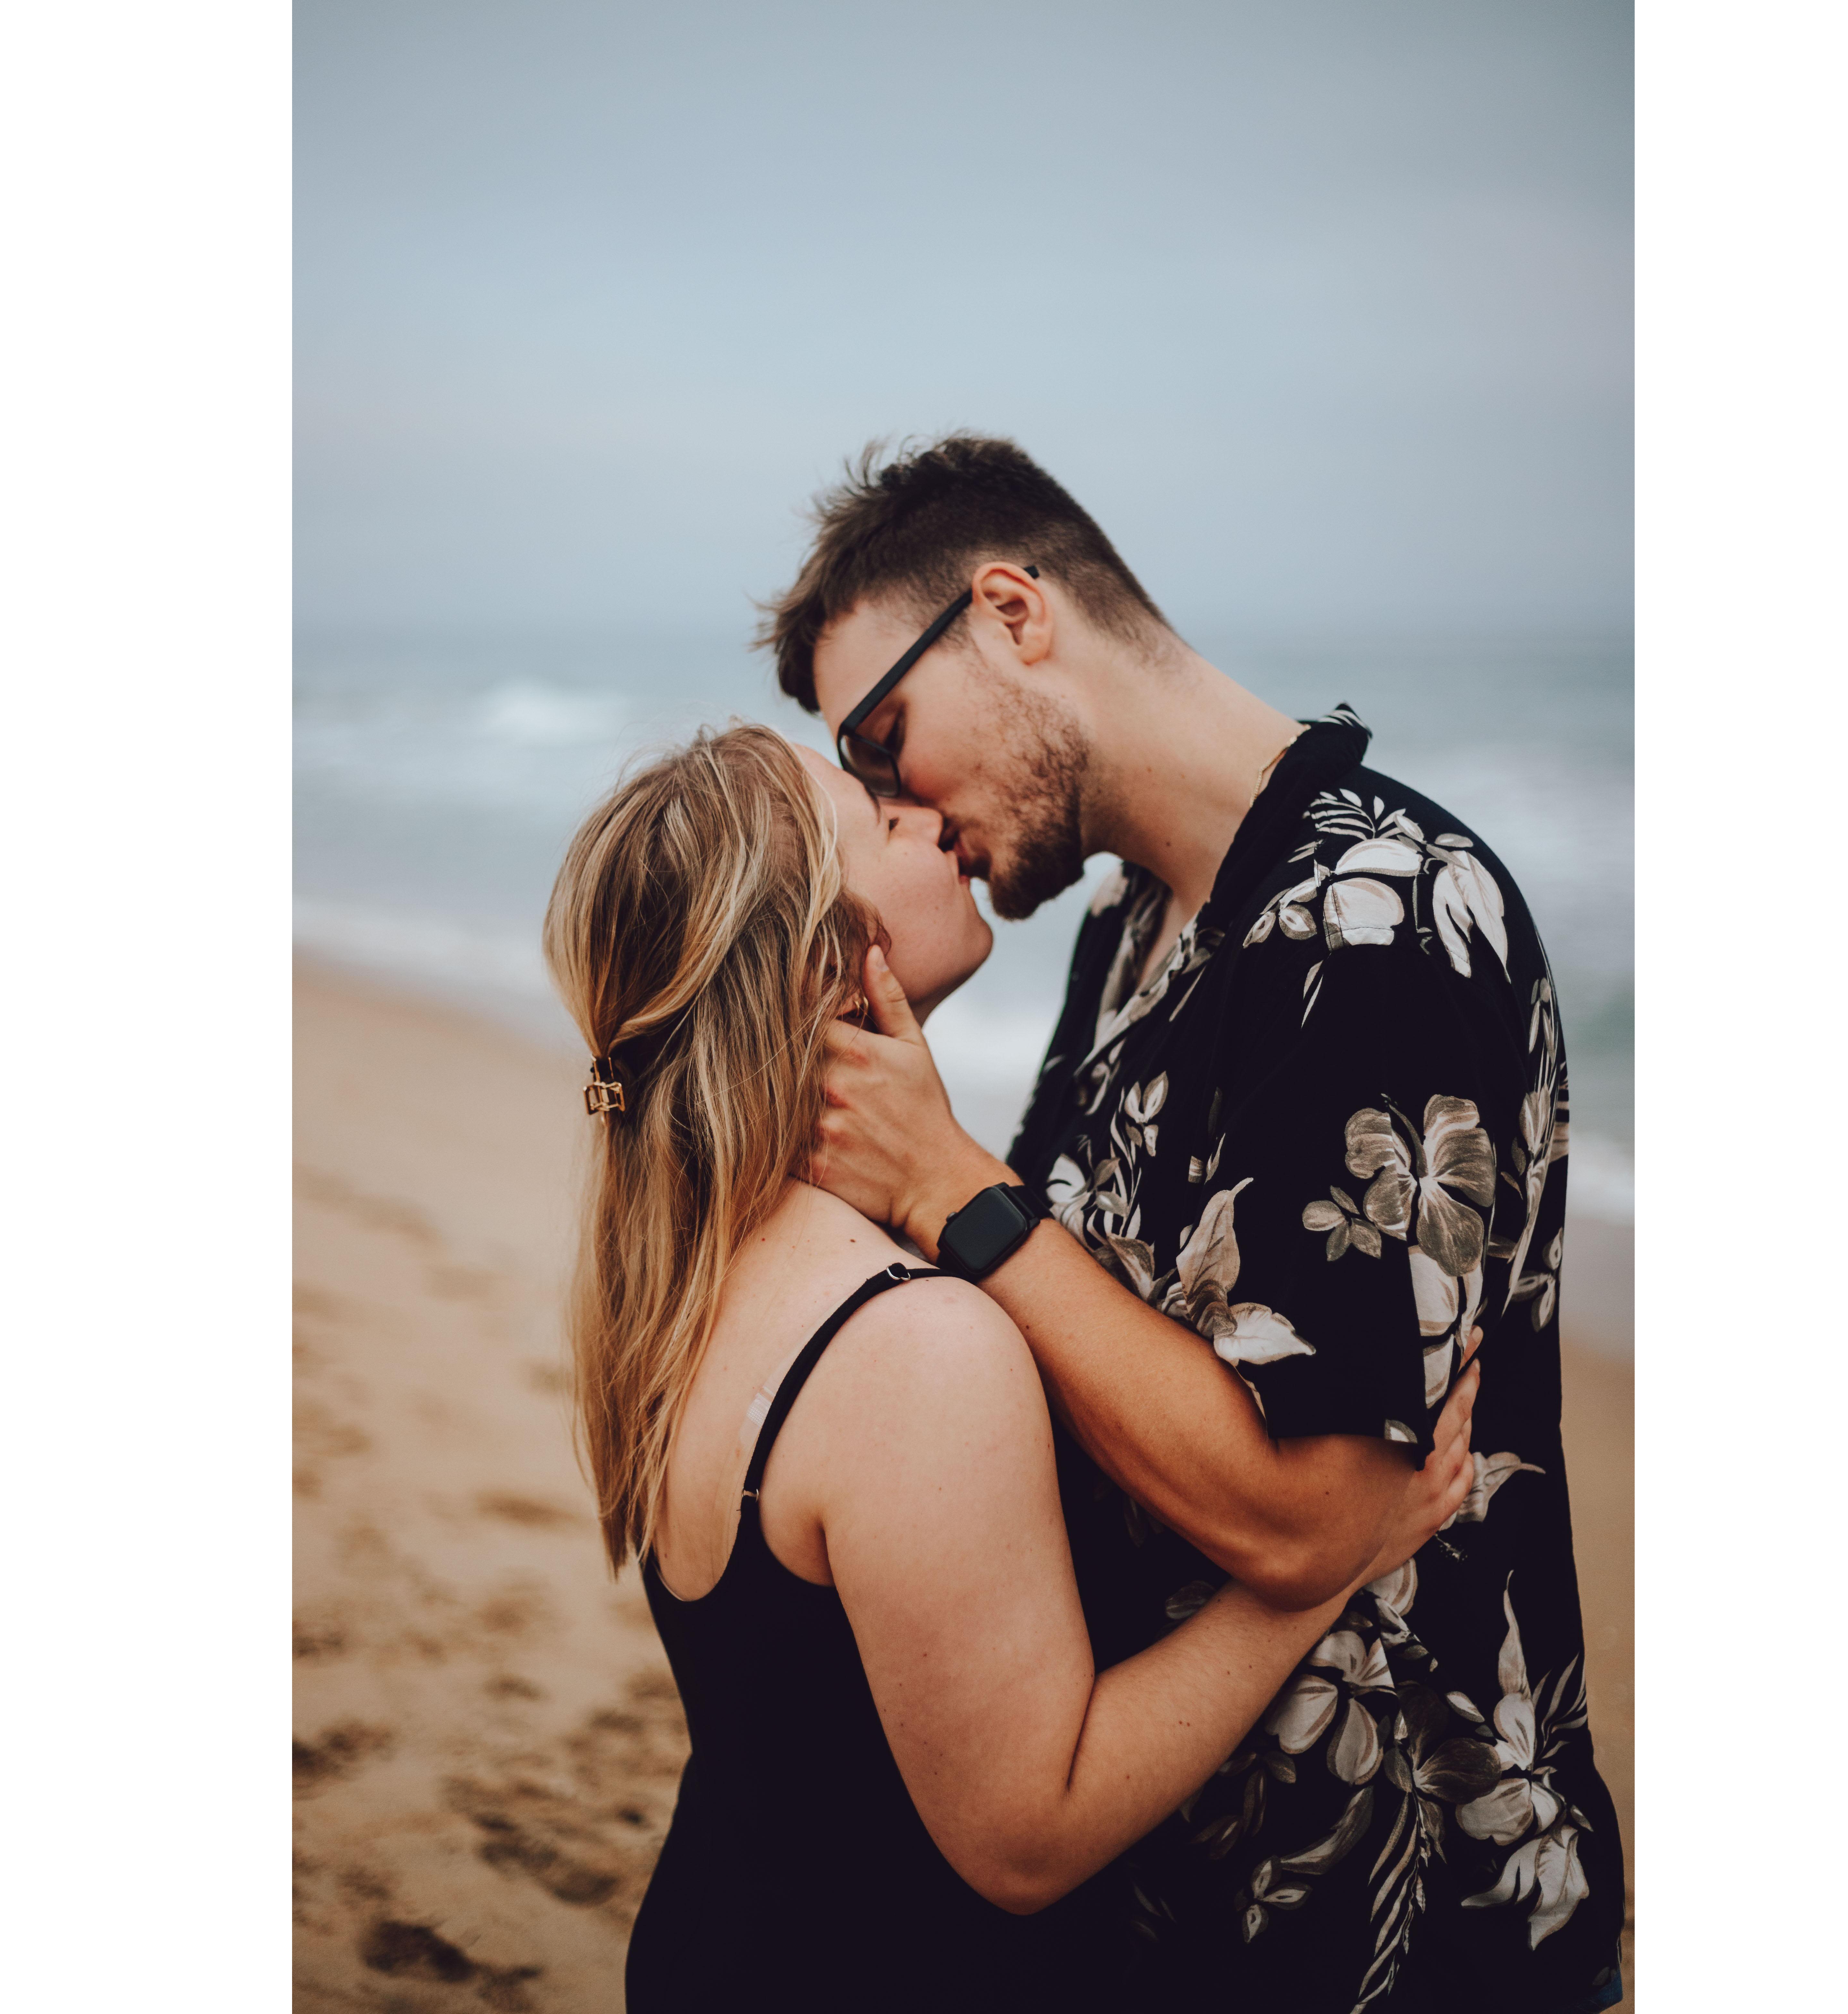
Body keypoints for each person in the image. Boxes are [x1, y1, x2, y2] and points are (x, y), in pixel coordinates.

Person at [767, 435, 1625, 2013]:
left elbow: (1303, 1522)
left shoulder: (1374, 927)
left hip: (1395, 1927)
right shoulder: (1135, 924)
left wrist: (954, 1189)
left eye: (886, 740)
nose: (900, 808)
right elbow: (1072, 1334)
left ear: (1012, 614)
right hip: (1170, 1898)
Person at [542, 722, 1479, 2012]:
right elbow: (1029, 1835)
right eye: (881, 820)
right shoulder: (908, 1347)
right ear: (830, 963)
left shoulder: (691, 1262)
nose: (926, 815)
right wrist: (1330, 1558)